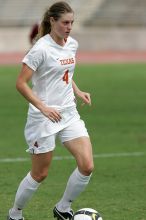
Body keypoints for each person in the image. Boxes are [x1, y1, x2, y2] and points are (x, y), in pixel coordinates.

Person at [7, 1, 94, 220]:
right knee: (40, 173)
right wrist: (43, 107)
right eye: (65, 22)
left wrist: (77, 90)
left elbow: (65, 73)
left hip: (68, 113)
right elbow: (21, 84)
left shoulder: (71, 44)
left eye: (72, 23)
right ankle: (15, 214)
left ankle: (63, 208)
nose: (69, 27)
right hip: (43, 118)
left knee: (87, 165)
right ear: (52, 21)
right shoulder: (40, 49)